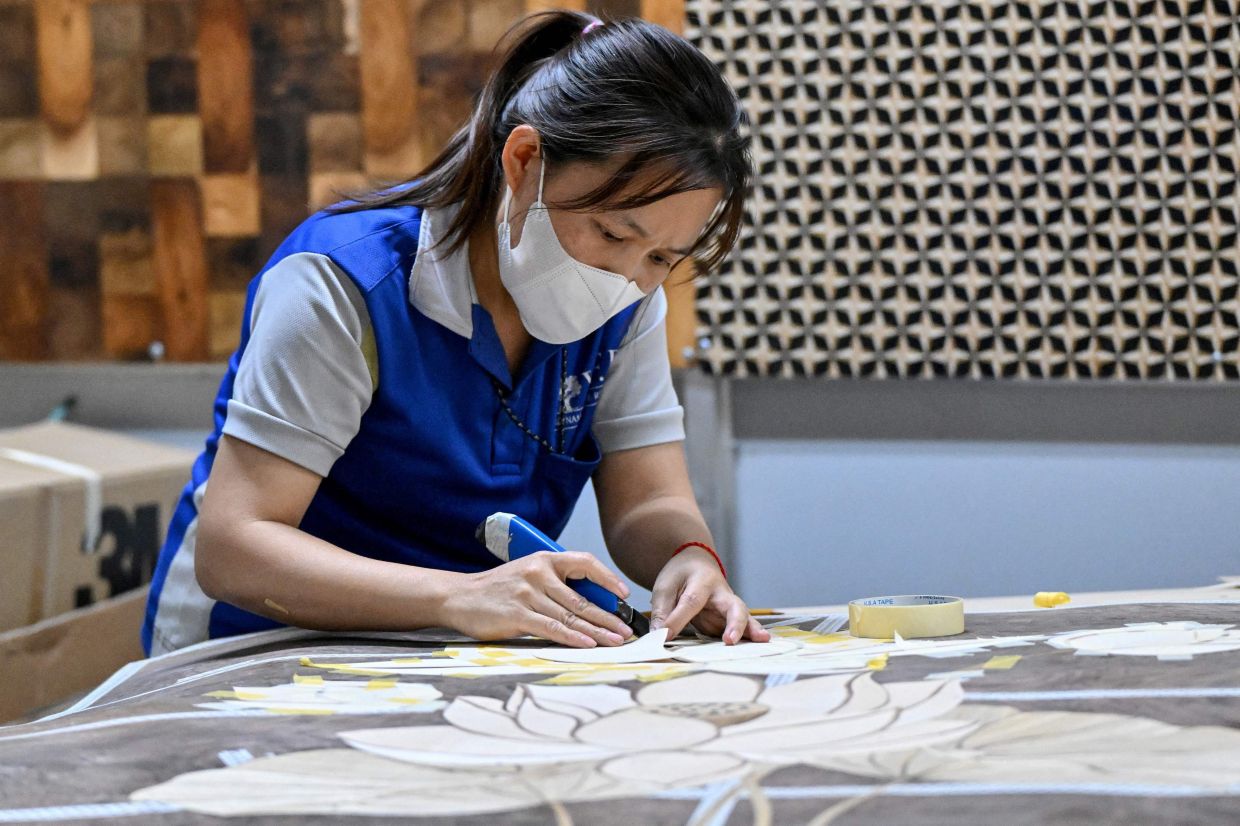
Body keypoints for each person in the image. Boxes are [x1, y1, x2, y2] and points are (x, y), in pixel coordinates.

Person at [142, 10, 771, 657]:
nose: (632, 279)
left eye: (665, 258)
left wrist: (688, 558)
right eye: (614, 234)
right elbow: (236, 548)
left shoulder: (628, 302)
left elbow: (649, 499)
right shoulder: (345, 284)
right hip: (259, 642)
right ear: (525, 162)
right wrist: (456, 598)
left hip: (445, 642)